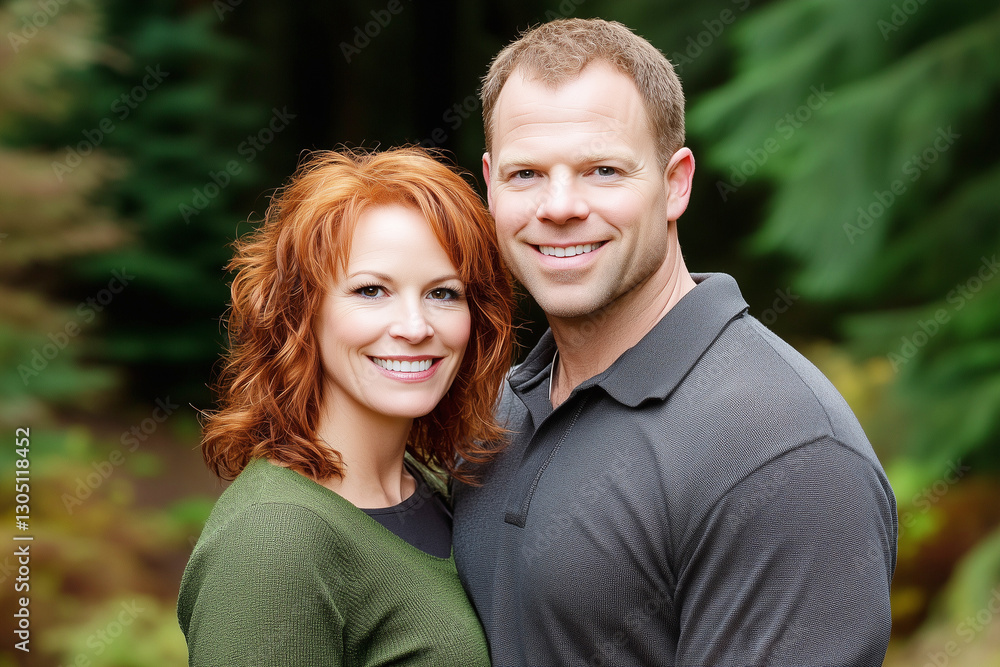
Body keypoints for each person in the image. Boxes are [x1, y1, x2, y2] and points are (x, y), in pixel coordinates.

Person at [452, 18, 897, 667]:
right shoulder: (492, 415)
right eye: (526, 174)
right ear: (490, 184)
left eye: (602, 169)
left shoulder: (783, 449)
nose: (559, 205)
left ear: (676, 182)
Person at [177, 146, 513, 666]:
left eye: (443, 293)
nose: (415, 326)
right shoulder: (274, 541)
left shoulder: (437, 485)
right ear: (300, 312)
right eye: (372, 290)